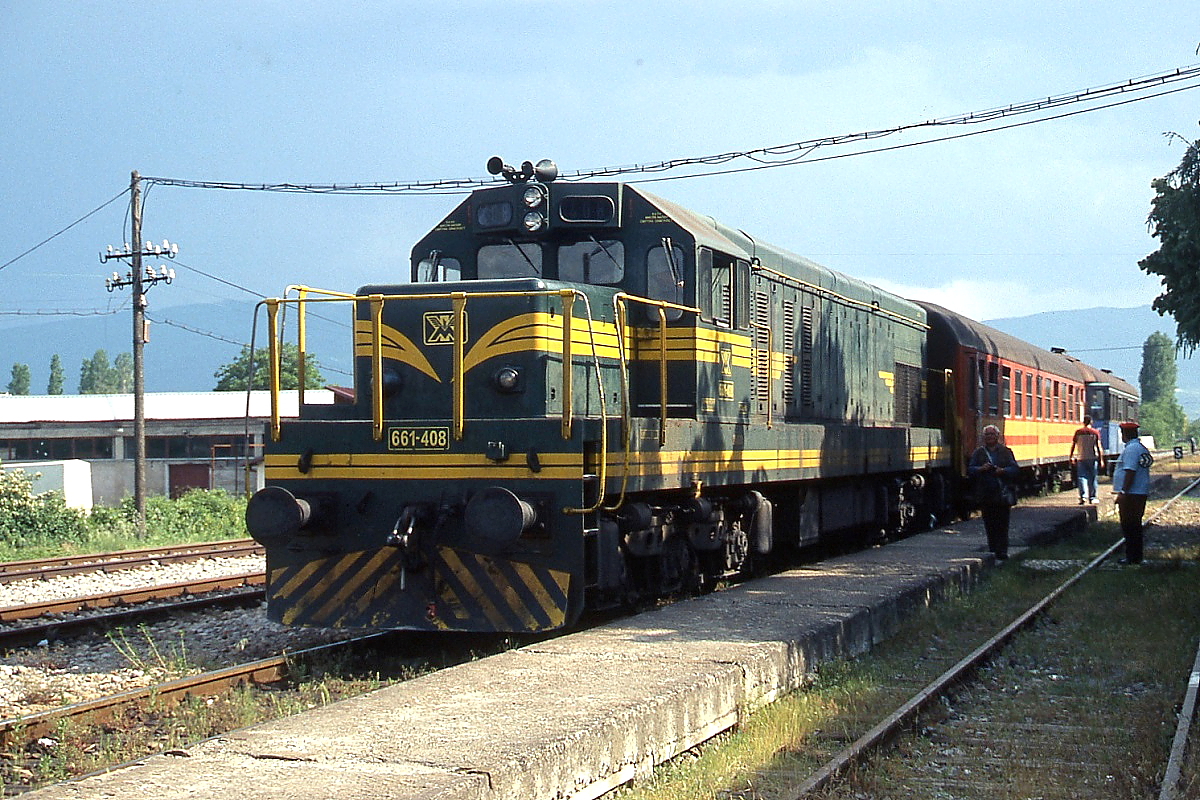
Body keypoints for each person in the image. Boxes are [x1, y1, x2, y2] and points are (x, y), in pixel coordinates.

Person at [968, 424, 1020, 562]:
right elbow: (970, 469)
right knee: (989, 524)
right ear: (983, 437)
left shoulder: (1006, 452)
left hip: (1002, 494)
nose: (989, 437)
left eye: (992, 434)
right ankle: (992, 550)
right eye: (987, 434)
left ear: (997, 436)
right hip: (986, 494)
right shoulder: (978, 453)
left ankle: (1002, 551)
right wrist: (981, 469)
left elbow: (1015, 469)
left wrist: (1003, 471)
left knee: (1002, 524)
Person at [1114, 420, 1153, 565]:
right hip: (1138, 492)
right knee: (1134, 525)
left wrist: (1123, 492)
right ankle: (1135, 556)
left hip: (1132, 494)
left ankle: (1132, 557)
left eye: (1122, 433)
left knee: (1129, 526)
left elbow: (1130, 471)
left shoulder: (1131, 449)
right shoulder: (1140, 448)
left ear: (1126, 434)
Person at [1068, 415, 1105, 505]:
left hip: (1081, 457)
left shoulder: (1078, 432)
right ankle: (1092, 497)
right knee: (1093, 478)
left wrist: (1071, 456)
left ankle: (1083, 497)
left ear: (1083, 422)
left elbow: (1073, 445)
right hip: (1092, 458)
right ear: (1091, 422)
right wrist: (1101, 459)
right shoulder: (1095, 432)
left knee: (1082, 477)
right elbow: (1099, 447)